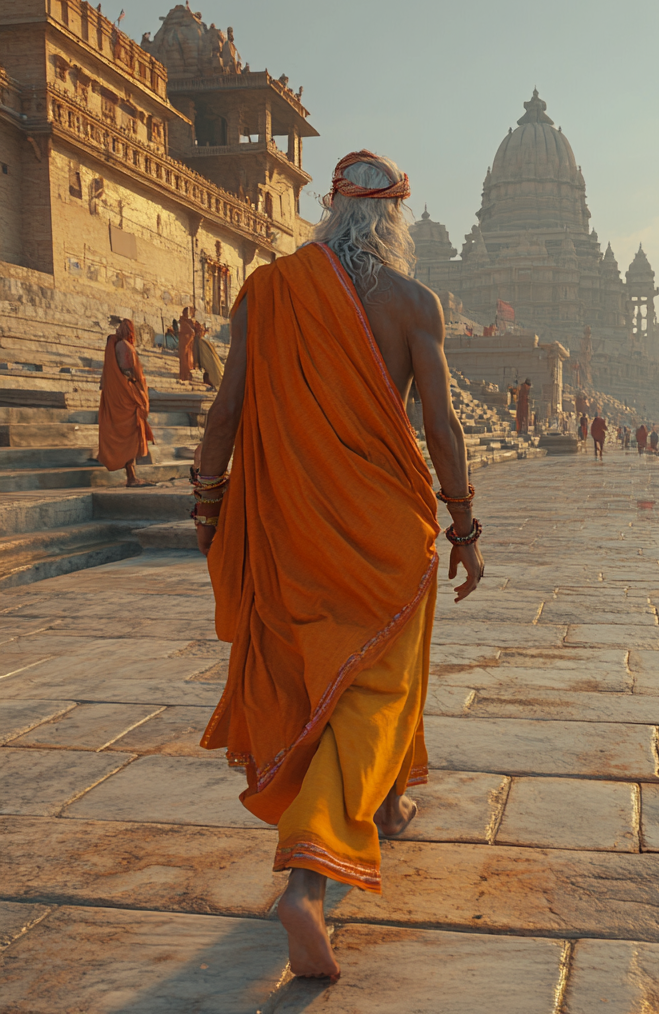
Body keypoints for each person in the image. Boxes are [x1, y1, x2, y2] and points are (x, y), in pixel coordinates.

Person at [194, 150, 484, 981]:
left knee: (327, 670)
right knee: (378, 689)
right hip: (388, 527)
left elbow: (225, 411)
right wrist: (463, 524)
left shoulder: (270, 289)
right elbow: (443, 427)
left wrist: (209, 504)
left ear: (327, 209)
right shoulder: (413, 303)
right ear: (396, 219)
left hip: (291, 527)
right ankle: (311, 877)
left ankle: (388, 802)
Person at [98, 318, 155, 487]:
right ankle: (131, 477)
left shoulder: (115, 346)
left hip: (119, 397)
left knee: (130, 435)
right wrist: (138, 386)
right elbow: (127, 369)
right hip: (126, 398)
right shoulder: (123, 346)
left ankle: (132, 475)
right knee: (131, 434)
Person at [194, 321, 225, 389]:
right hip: (206, 360)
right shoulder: (199, 341)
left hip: (210, 359)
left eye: (202, 331)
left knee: (216, 368)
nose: (202, 332)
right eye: (201, 331)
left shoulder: (203, 340)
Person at [177, 306, 196, 382]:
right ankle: (184, 375)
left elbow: (193, 331)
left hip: (188, 344)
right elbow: (190, 332)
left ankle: (186, 375)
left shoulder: (189, 321)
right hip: (184, 342)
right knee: (184, 359)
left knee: (188, 360)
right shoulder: (183, 321)